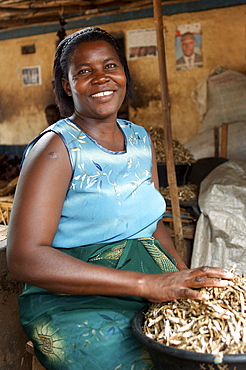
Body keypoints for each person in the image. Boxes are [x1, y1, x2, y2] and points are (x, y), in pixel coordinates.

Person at [7, 27, 233, 370]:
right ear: (67, 85)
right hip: (75, 299)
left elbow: (152, 222)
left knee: (209, 345)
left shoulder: (140, 138)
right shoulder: (56, 149)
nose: (100, 78)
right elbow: (24, 258)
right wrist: (147, 283)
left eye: (109, 66)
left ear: (123, 74)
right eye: (84, 71)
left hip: (149, 281)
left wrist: (181, 274)